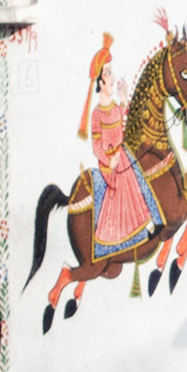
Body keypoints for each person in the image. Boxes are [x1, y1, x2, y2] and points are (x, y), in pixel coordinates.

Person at [78, 33, 156, 257]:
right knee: (124, 182)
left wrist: (124, 99)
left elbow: (123, 119)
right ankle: (126, 234)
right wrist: (108, 159)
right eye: (109, 74)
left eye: (112, 73)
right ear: (101, 82)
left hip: (121, 156)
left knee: (136, 175)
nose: (112, 78)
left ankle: (148, 224)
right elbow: (96, 146)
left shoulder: (113, 107)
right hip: (110, 163)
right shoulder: (97, 114)